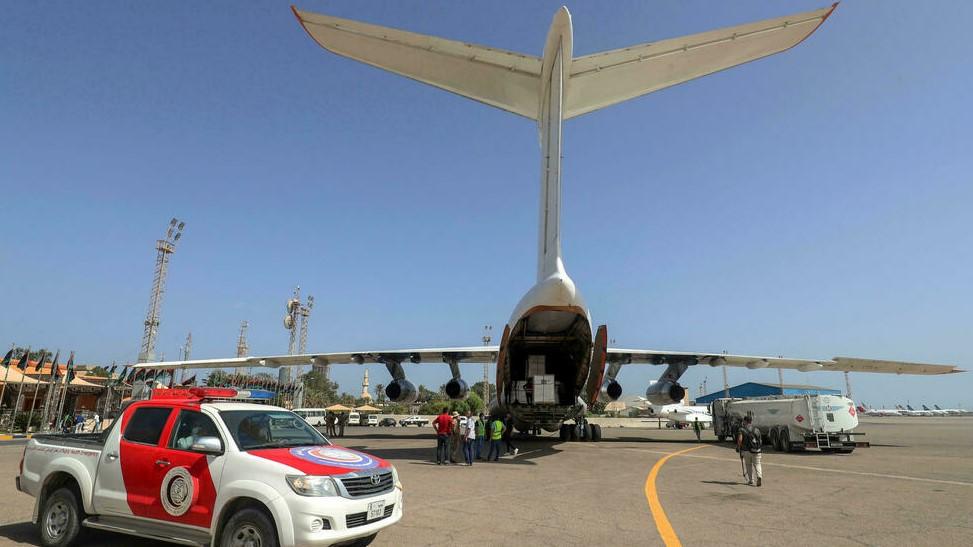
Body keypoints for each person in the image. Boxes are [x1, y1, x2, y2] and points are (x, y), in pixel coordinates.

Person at [736, 415, 763, 487]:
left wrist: (738, 447)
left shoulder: (741, 429)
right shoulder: (757, 429)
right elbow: (760, 440)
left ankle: (751, 480)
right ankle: (759, 476)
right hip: (756, 450)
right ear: (751, 421)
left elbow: (740, 440)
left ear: (745, 421)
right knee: (757, 464)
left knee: (748, 465)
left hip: (746, 451)